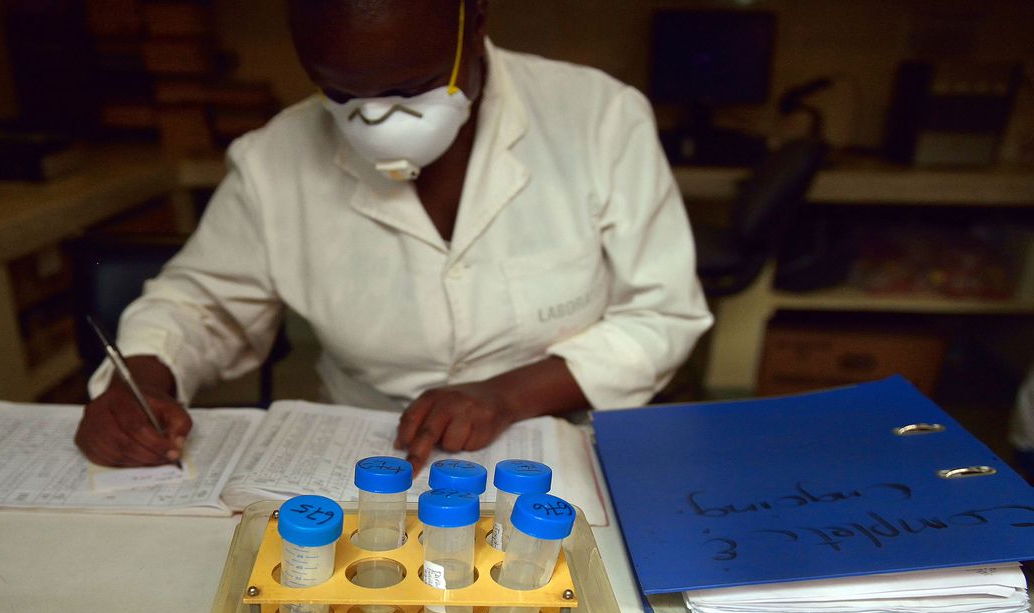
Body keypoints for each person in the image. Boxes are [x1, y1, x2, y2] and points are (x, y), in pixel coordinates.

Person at [74, 0, 712, 471]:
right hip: (367, 449)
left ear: (475, 24)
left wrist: (505, 395)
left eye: (412, 88)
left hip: (561, 441)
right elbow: (199, 302)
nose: (380, 121)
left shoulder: (598, 117)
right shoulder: (274, 159)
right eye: (343, 94)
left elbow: (662, 316)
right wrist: (142, 383)